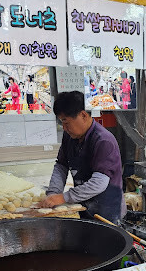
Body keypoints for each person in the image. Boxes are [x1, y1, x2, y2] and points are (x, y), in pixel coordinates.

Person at [40, 91, 125, 223]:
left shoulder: (103, 141)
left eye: (66, 122)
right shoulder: (69, 136)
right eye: (62, 123)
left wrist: (64, 197)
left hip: (107, 211)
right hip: (85, 207)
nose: (64, 128)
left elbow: (99, 183)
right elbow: (61, 166)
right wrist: (53, 193)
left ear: (83, 115)